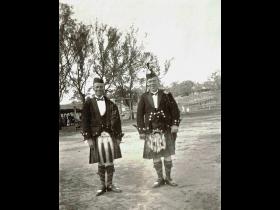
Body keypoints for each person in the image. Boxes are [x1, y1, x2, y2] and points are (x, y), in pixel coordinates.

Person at [136, 66, 181, 188]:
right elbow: (139, 115)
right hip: (151, 130)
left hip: (166, 128)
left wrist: (175, 124)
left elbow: (175, 110)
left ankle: (169, 178)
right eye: (150, 82)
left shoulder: (166, 94)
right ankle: (160, 178)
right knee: (155, 156)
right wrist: (141, 130)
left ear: (158, 81)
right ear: (147, 83)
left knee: (167, 154)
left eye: (154, 81)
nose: (152, 83)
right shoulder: (144, 97)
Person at [81, 78, 123, 196]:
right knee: (100, 161)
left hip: (110, 136)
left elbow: (118, 121)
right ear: (94, 88)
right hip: (95, 137)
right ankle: (102, 185)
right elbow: (84, 121)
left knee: (110, 160)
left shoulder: (111, 103)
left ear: (104, 88)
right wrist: (88, 138)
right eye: (97, 87)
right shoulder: (88, 103)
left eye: (101, 86)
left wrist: (119, 137)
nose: (99, 89)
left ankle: (109, 184)